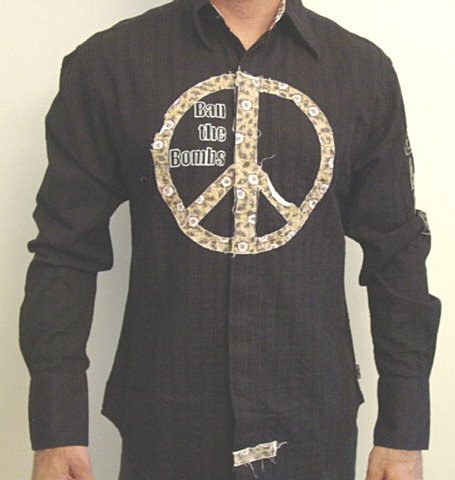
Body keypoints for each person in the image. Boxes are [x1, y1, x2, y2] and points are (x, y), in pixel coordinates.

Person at [19, 1, 442, 479]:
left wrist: (403, 434)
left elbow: (397, 258)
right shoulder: (110, 64)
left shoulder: (362, 71)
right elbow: (64, 252)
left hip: (312, 428)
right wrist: (56, 429)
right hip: (165, 429)